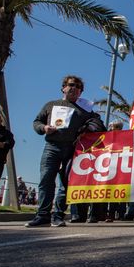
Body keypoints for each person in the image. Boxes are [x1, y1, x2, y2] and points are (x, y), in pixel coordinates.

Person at [26, 75, 102, 227]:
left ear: (81, 92)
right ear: (64, 87)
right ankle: (42, 215)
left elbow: (98, 124)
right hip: (52, 147)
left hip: (73, 150)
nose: (74, 88)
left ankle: (58, 216)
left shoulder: (85, 110)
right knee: (46, 180)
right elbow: (37, 122)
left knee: (66, 184)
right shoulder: (51, 105)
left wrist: (87, 129)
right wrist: (44, 128)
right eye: (71, 85)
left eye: (78, 87)